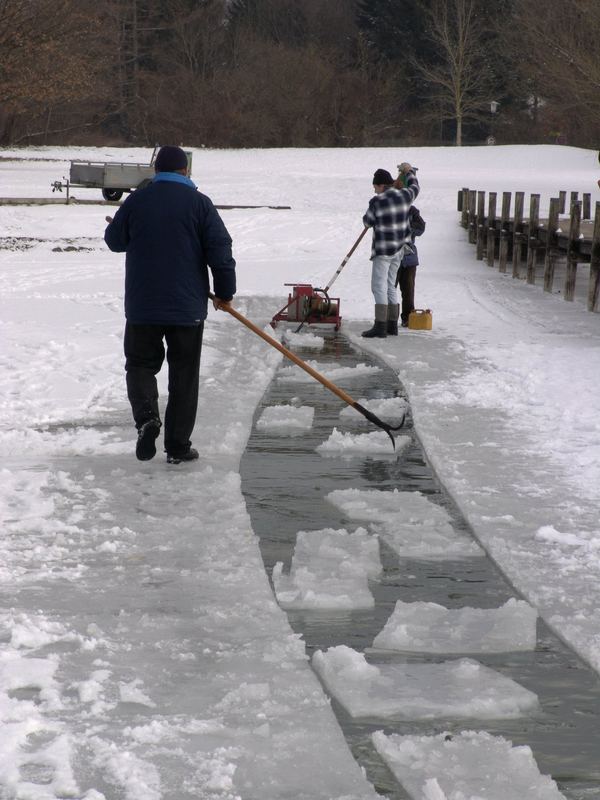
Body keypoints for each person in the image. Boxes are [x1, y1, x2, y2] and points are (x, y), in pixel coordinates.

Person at [104, 145, 236, 464]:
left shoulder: (138, 200)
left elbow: (115, 241)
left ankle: (147, 418)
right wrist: (224, 292)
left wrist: (118, 224)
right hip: (187, 309)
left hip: (143, 306)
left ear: (156, 170)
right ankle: (177, 446)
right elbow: (220, 249)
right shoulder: (200, 204)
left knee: (140, 365)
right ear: (185, 171)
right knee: (184, 375)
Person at [361, 164, 419, 338]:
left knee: (378, 286)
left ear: (380, 185)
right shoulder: (405, 195)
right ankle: (392, 325)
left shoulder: (377, 201)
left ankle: (380, 326)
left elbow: (367, 221)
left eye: (375, 187)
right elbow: (415, 186)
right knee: (390, 286)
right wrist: (409, 172)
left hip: (383, 250)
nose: (375, 190)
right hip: (399, 250)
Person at [396, 205, 425, 327]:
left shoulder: (412, 210)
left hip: (409, 258)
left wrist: (407, 227)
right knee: (389, 289)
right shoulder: (389, 207)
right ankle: (388, 318)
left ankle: (407, 318)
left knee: (408, 289)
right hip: (392, 256)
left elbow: (421, 228)